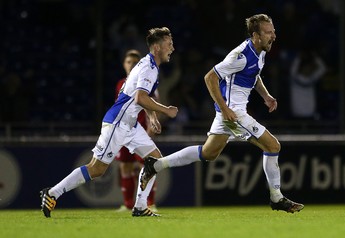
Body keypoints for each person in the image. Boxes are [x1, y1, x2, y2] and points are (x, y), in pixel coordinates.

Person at [140, 14, 304, 213]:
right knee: (273, 145)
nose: (274, 36)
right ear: (256, 35)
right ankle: (276, 198)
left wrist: (266, 96)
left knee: (208, 153)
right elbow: (210, 78)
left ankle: (155, 165)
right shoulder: (240, 55)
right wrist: (226, 109)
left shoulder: (260, 51)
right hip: (234, 114)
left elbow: (254, 74)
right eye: (269, 32)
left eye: (274, 31)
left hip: (228, 114)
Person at [40, 27, 178, 217]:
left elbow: (139, 96)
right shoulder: (148, 67)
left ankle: (139, 206)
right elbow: (140, 97)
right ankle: (53, 192)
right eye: (169, 44)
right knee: (96, 169)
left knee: (155, 160)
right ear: (156, 47)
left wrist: (152, 116)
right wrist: (165, 110)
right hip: (118, 122)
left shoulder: (150, 65)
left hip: (130, 124)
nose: (172, 48)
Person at [114, 49, 158, 212]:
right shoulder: (120, 84)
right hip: (124, 131)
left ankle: (150, 203)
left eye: (134, 62)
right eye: (128, 62)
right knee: (125, 167)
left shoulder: (147, 81)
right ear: (124, 64)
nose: (131, 65)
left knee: (148, 166)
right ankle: (127, 205)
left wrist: (151, 125)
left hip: (141, 132)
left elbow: (153, 103)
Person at [289, 49, 326, 119]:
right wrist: (299, 58)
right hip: (297, 116)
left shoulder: (312, 79)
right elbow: (293, 69)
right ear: (302, 68)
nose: (309, 69)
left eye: (310, 68)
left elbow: (322, 69)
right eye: (307, 67)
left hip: (310, 116)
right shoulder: (295, 78)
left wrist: (315, 57)